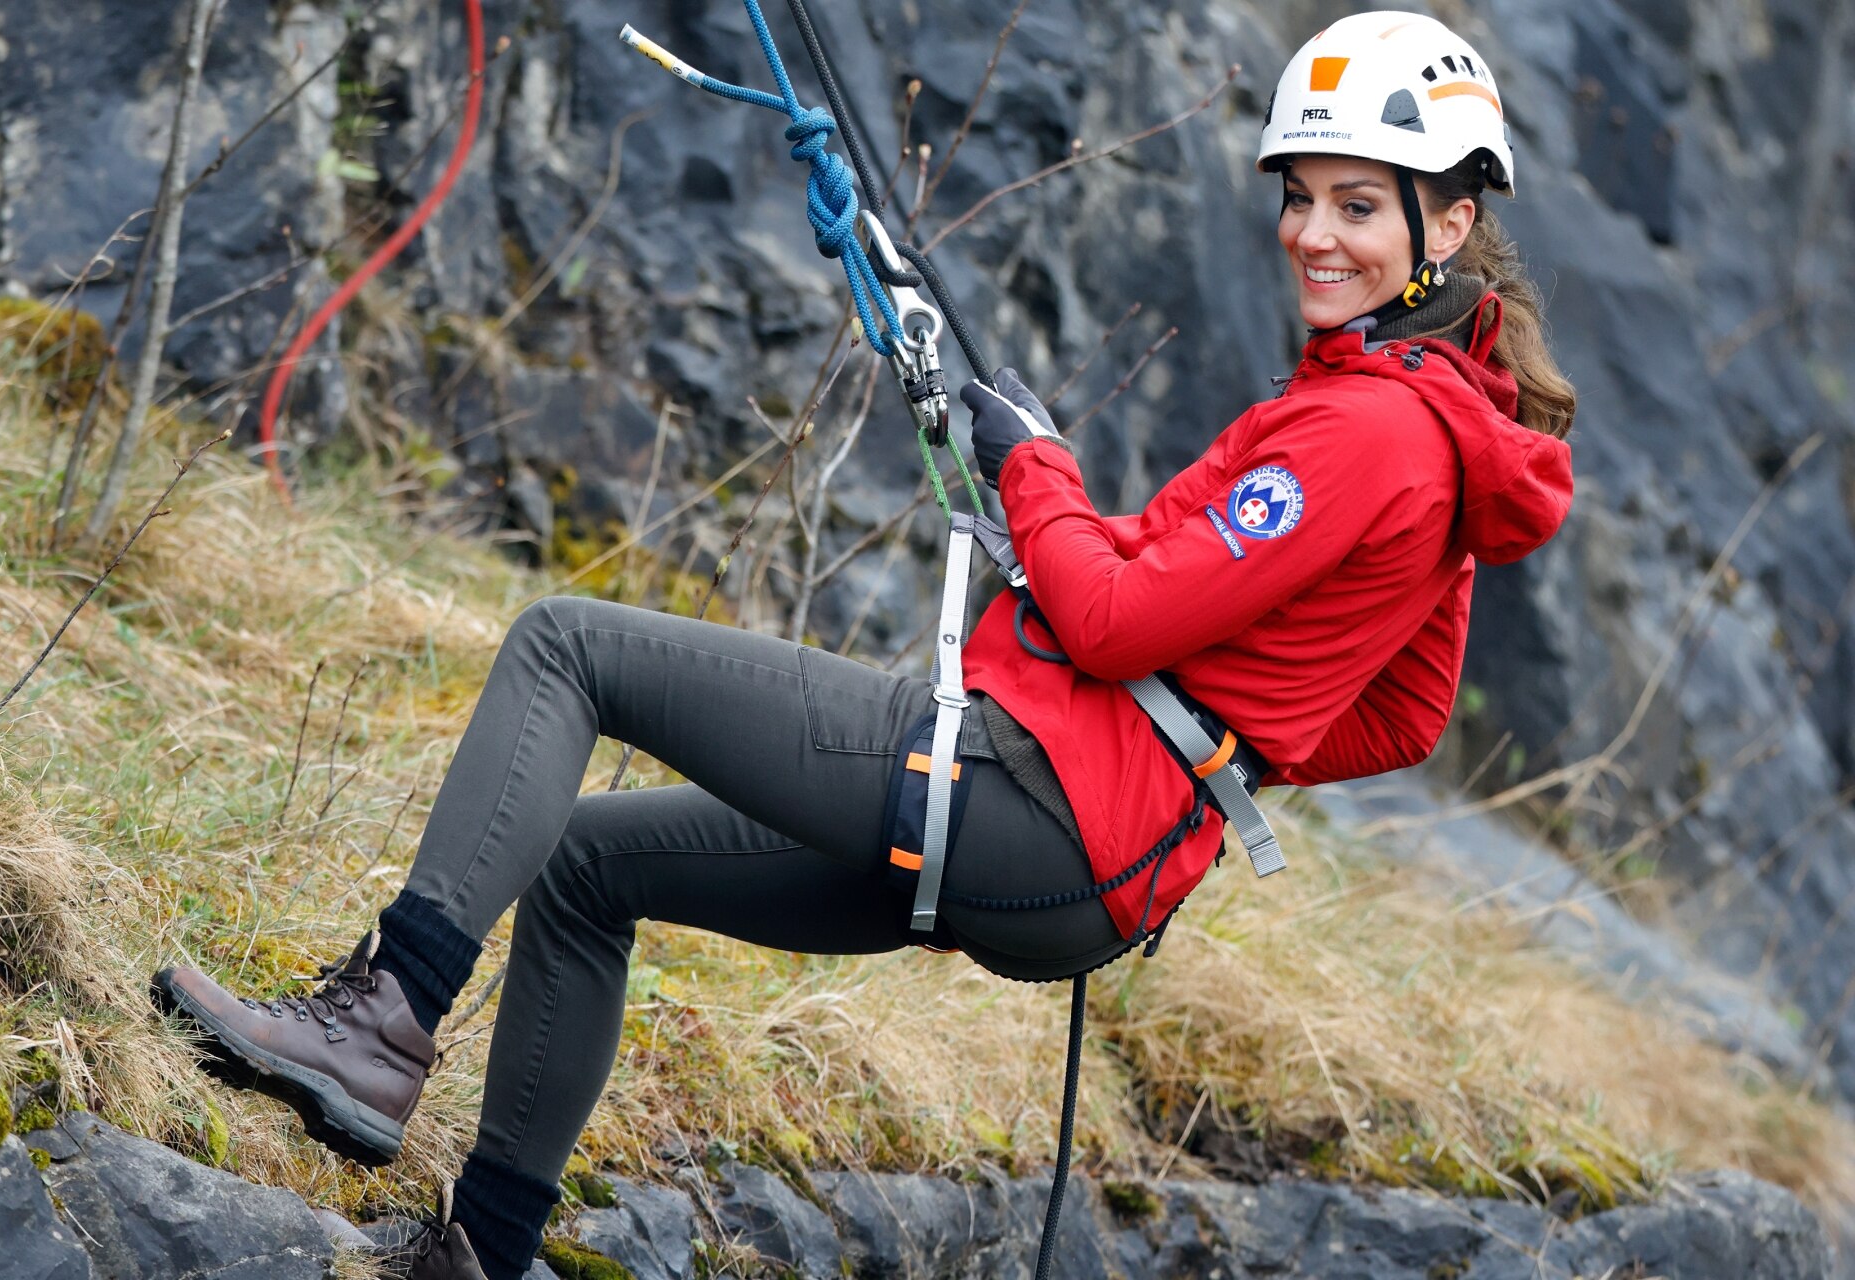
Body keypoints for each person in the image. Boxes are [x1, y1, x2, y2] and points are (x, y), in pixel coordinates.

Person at [152, 12, 1574, 1279]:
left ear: (1445, 229)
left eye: (1361, 206)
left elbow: (1114, 615)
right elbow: (1401, 718)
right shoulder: (1443, 440)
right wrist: (1208, 742)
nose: (1316, 234)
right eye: (1305, 198)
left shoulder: (1368, 428)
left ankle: (378, 1027)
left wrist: (1042, 473)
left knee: (564, 646)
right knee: (584, 870)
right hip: (1083, 865)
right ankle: (482, 1253)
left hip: (1027, 794)